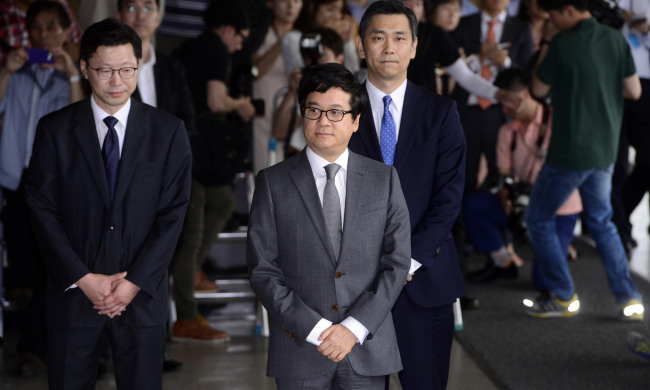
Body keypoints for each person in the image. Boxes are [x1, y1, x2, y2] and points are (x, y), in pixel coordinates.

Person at [24, 18, 192, 389]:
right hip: (74, 295)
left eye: (127, 69)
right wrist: (83, 278)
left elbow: (173, 214)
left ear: (139, 62)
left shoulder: (167, 131)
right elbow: (41, 209)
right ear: (84, 68)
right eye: (105, 70)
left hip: (141, 297)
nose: (117, 81)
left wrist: (133, 282)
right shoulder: (55, 130)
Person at [247, 62, 411, 390]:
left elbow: (396, 263)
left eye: (336, 112)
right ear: (302, 115)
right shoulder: (272, 182)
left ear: (355, 121)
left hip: (366, 345)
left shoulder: (384, 180)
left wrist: (353, 327)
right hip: (300, 348)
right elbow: (263, 270)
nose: (324, 121)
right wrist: (316, 329)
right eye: (314, 110)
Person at [348, 2, 466, 389]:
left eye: (400, 38)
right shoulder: (340, 110)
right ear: (361, 46)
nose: (389, 48)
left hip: (424, 282)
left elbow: (449, 199)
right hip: (352, 288)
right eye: (378, 37)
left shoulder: (440, 112)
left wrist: (406, 263)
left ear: (414, 47)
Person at [522, 0, 644, 320]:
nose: (551, 19)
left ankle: (563, 295)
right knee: (603, 223)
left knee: (537, 218)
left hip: (570, 153)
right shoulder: (616, 38)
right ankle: (629, 298)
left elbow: (537, 88)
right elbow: (633, 91)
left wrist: (547, 41)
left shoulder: (562, 42)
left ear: (569, 11)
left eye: (553, 13)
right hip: (605, 150)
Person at [0, 0, 84, 377]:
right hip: (17, 183)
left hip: (57, 187)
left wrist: (70, 77)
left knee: (55, 268)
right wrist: (6, 71)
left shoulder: (74, 75)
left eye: (52, 27)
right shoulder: (16, 75)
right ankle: (52, 347)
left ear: (67, 31)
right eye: (36, 28)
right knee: (32, 270)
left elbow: (82, 128)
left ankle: (34, 349)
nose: (43, 35)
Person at [116, 0, 194, 371]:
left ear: (160, 16)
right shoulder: (108, 69)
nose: (140, 13)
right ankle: (104, 347)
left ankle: (155, 346)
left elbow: (187, 122)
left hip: (165, 180)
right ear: (120, 14)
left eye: (149, 6)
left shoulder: (173, 66)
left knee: (159, 259)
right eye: (131, 5)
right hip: (114, 181)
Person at [170, 0, 255, 342]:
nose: (240, 45)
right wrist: (242, 106)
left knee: (220, 202)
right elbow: (217, 101)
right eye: (241, 37)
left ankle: (189, 274)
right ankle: (186, 317)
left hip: (182, 146)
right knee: (191, 228)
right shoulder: (217, 49)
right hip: (192, 149)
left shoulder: (184, 49)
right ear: (227, 29)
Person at [450, 0, 535, 194]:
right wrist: (477, 59)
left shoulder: (522, 28)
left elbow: (528, 73)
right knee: (462, 173)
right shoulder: (462, 24)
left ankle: (493, 218)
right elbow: (450, 65)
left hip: (501, 110)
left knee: (500, 173)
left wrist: (506, 62)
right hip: (466, 109)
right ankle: (462, 222)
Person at [273, 27, 346, 156]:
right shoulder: (304, 88)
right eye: (310, 57)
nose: (317, 62)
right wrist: (293, 92)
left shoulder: (349, 92)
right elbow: (279, 132)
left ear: (339, 59)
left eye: (322, 55)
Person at [252, 0, 303, 173]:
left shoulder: (302, 38)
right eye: (285, 1)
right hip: (262, 115)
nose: (291, 6)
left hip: (292, 115)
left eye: (296, 1)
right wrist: (283, 42)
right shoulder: (261, 34)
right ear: (270, 3)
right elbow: (255, 71)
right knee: (264, 174)